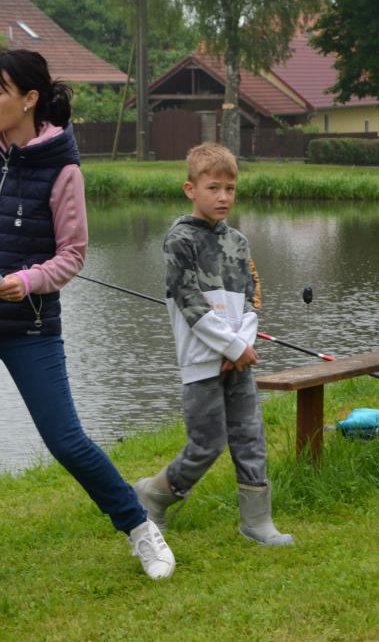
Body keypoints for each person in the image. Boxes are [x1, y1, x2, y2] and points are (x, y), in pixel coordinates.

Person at [0, 49, 174, 598]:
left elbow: (72, 255)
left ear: (29, 99)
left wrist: (29, 280)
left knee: (66, 441)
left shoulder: (63, 169)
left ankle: (140, 528)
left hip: (28, 328)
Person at [133, 143, 294, 548]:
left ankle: (257, 522)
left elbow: (252, 297)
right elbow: (190, 303)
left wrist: (242, 346)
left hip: (238, 359)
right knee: (206, 445)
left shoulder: (238, 241)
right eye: (214, 188)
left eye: (230, 189)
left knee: (250, 438)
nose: (223, 197)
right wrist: (230, 348)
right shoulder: (179, 240)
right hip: (203, 361)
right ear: (191, 189)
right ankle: (155, 494)